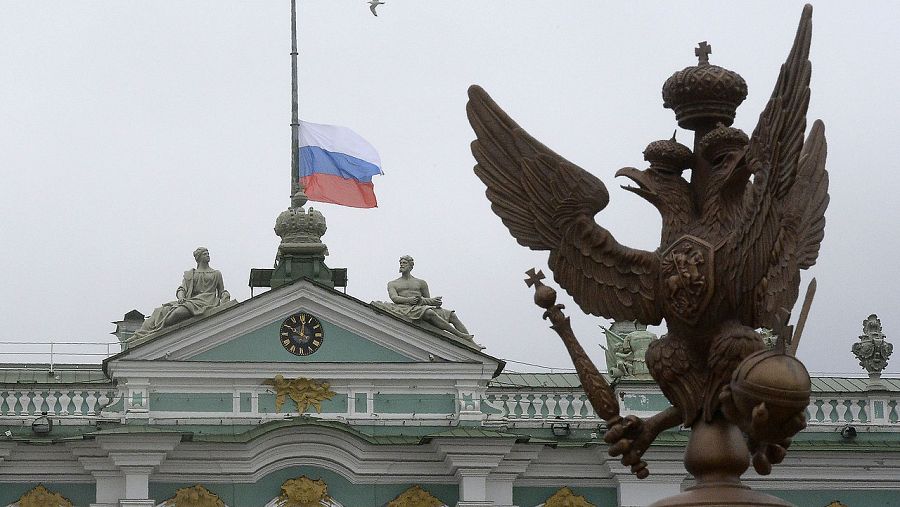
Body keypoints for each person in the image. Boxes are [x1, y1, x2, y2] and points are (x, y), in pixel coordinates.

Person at [131, 247, 231, 340]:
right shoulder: (191, 274)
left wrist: (225, 296)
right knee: (162, 310)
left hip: (208, 302)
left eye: (208, 253)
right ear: (199, 258)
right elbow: (182, 289)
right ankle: (143, 334)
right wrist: (181, 297)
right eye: (205, 254)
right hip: (192, 301)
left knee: (177, 313)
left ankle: (156, 330)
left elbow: (221, 291)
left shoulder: (216, 273)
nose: (208, 255)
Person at [374, 255, 473, 340]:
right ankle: (458, 334)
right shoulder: (393, 283)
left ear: (410, 266)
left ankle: (471, 343)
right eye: (401, 263)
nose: (402, 265)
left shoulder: (421, 282)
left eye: (404, 263)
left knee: (451, 315)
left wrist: (434, 302)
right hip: (405, 308)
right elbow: (394, 298)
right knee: (429, 312)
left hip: (419, 307)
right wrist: (409, 300)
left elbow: (427, 300)